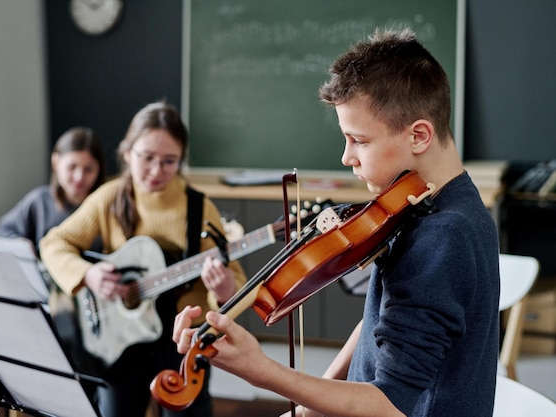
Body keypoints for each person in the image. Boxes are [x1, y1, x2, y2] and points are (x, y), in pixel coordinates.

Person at [171, 27, 500, 417]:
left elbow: (389, 405)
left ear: (419, 136)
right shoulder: (431, 203)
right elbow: (378, 325)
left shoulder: (444, 235)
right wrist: (306, 411)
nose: (347, 157)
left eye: (358, 140)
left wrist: (263, 372)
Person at [39, 100, 247, 417]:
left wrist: (225, 291)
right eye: (146, 158)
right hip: (120, 339)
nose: (155, 171)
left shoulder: (198, 208)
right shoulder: (109, 197)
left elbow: (238, 284)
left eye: (169, 161)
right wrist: (88, 276)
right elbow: (54, 243)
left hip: (181, 343)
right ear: (127, 153)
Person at [0, 126, 107, 378]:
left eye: (88, 169)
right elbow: (2, 230)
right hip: (44, 300)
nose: (79, 176)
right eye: (72, 167)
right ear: (56, 162)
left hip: (93, 307)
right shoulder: (39, 201)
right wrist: (20, 242)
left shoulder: (104, 205)